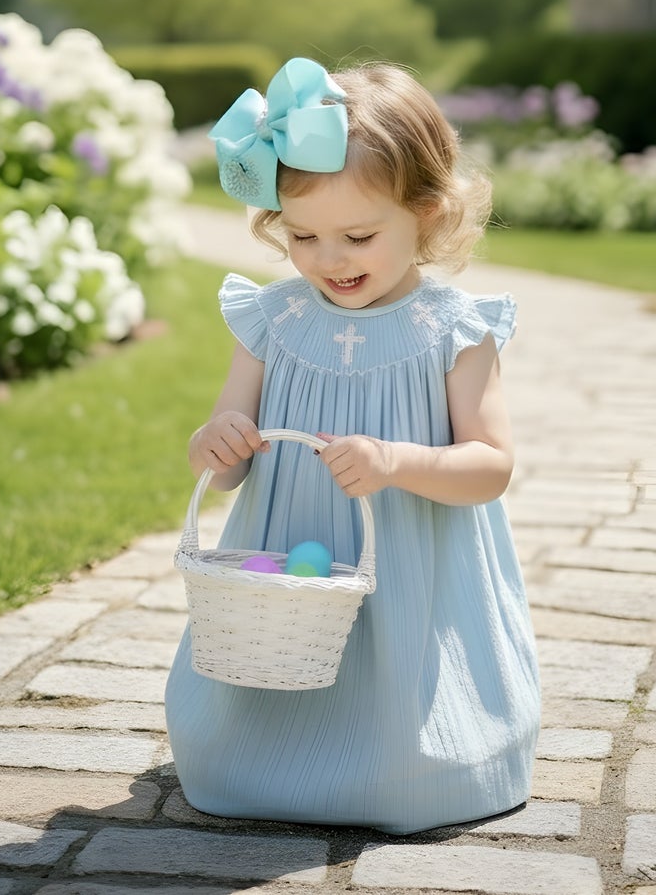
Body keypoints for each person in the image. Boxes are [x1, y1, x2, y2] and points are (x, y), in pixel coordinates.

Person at [163, 56, 541, 834]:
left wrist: (397, 461)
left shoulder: (455, 330)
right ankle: (264, 752)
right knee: (249, 734)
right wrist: (217, 440)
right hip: (285, 588)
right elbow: (228, 463)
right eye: (302, 234)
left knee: (400, 747)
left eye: (358, 235)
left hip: (410, 576)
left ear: (427, 214)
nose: (328, 259)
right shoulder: (274, 319)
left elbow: (489, 467)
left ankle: (401, 763)